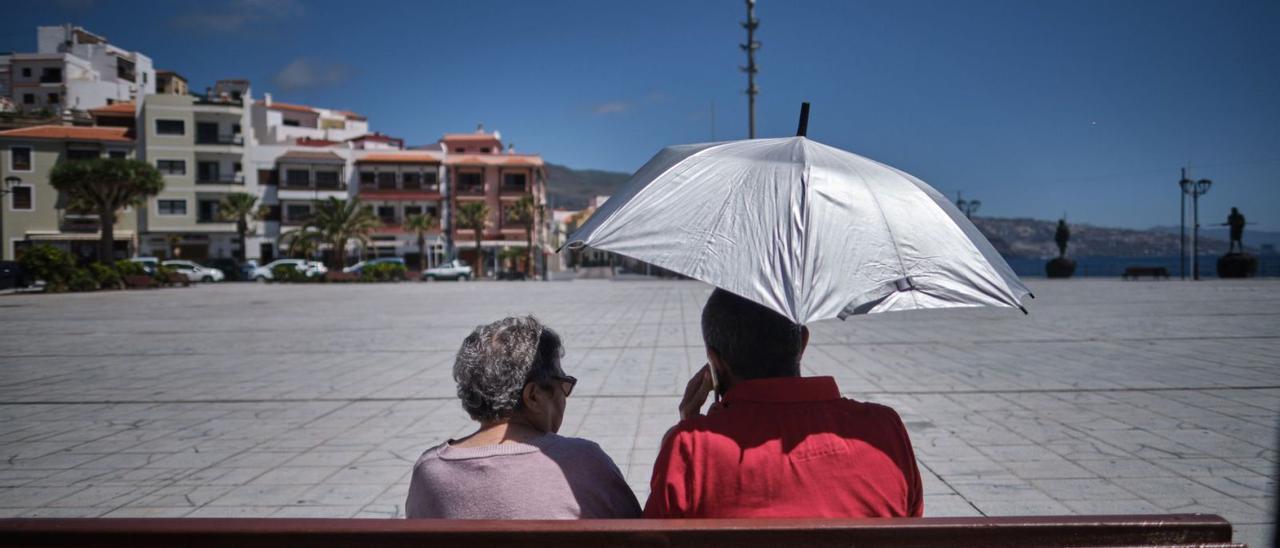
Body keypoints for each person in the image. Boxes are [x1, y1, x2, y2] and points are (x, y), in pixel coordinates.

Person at [644, 289, 923, 518]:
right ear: (802, 343)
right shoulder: (884, 429)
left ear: (714, 361)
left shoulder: (691, 449)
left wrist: (690, 429)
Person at [406, 316, 640, 519]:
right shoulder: (585, 462)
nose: (564, 396)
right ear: (534, 396)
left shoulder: (430, 471)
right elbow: (639, 536)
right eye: (563, 384)